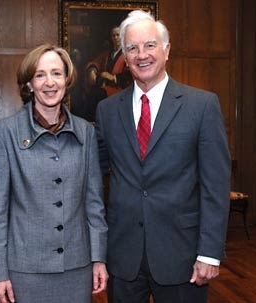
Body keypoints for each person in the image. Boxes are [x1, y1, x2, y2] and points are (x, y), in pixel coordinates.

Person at [95, 10, 231, 303]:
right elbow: (91, 175)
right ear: (125, 57)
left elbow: (215, 186)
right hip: (123, 257)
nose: (141, 54)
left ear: (166, 51)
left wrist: (210, 252)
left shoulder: (202, 106)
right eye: (132, 48)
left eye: (150, 45)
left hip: (183, 256)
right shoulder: (107, 111)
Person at [0, 43, 108, 303]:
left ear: (67, 79)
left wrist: (99, 258)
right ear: (29, 83)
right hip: (24, 272)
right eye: (40, 75)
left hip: (77, 268)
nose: (49, 83)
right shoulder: (4, 134)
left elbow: (94, 203)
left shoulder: (86, 131)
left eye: (56, 73)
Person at [83, 25, 133, 121]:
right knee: (93, 95)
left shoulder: (129, 53)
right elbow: (96, 62)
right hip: (106, 88)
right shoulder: (109, 53)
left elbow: (131, 75)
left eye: (118, 35)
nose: (115, 38)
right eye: (113, 36)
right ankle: (90, 123)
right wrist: (92, 69)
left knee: (97, 95)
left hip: (120, 90)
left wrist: (113, 77)